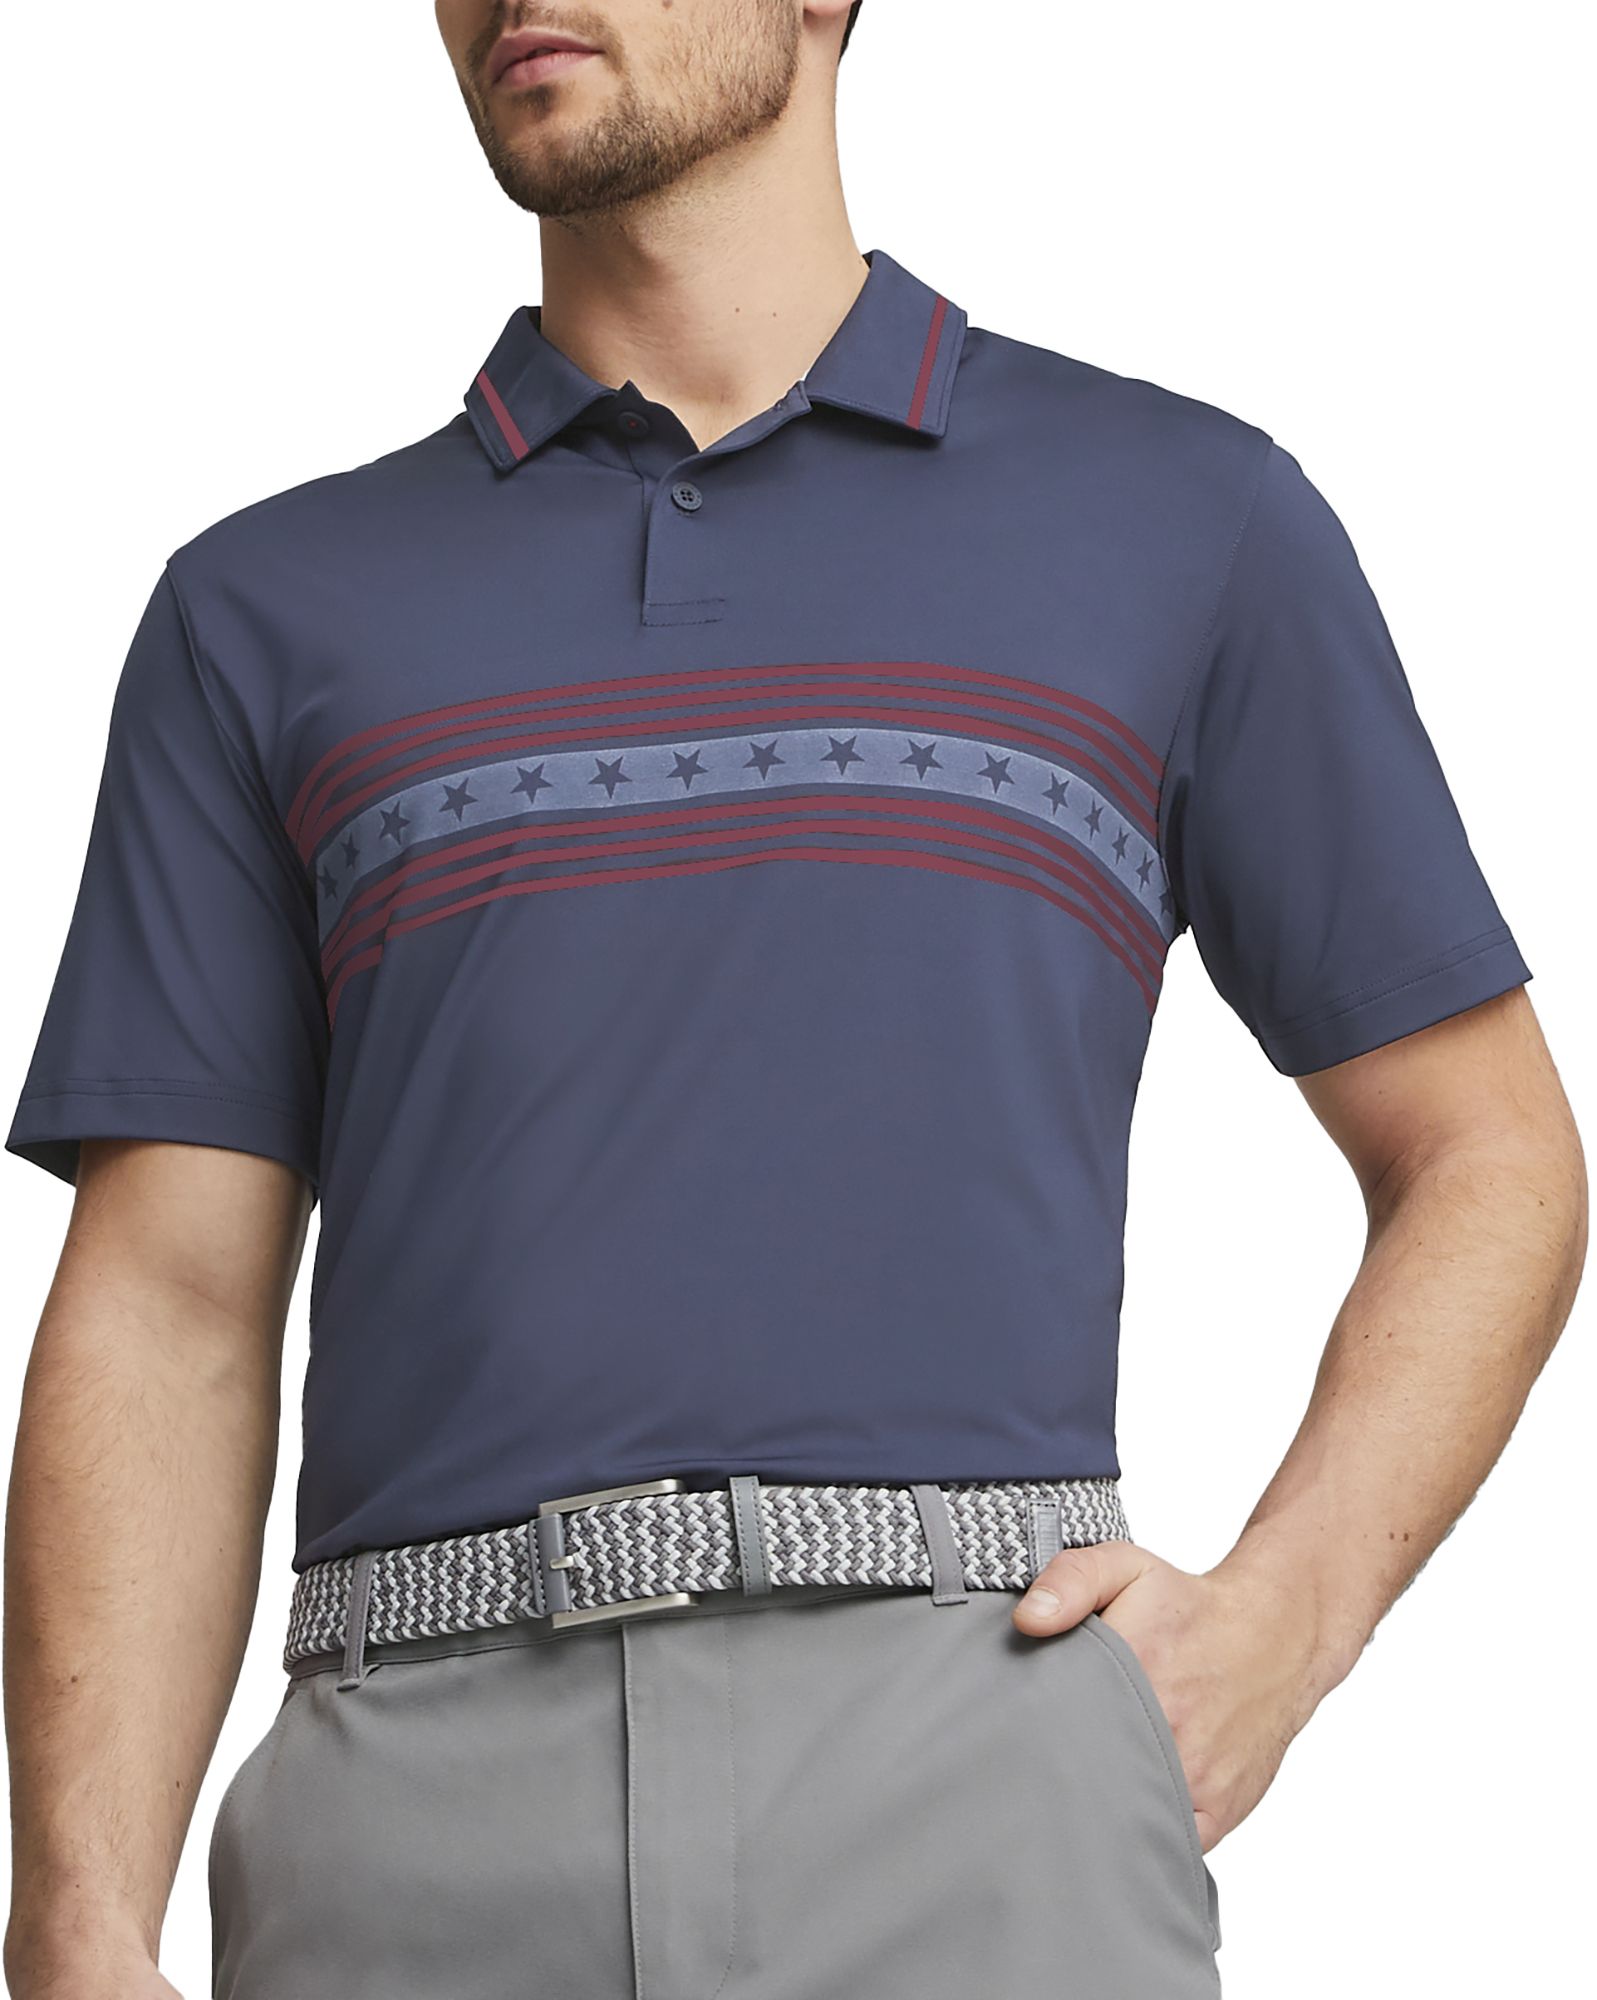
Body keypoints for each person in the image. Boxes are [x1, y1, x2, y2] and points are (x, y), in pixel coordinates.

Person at [2, 3, 1585, 1995]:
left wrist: (1286, 1619)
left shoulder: (1186, 519)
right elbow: (168, 1301)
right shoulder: (259, 610)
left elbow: (1486, 1152)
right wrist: (78, 1919)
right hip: (405, 1818)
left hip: (981, 1783)